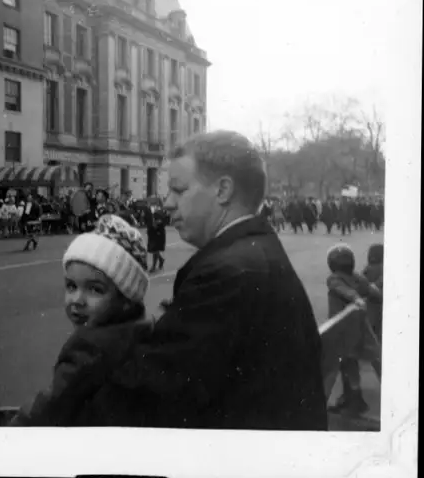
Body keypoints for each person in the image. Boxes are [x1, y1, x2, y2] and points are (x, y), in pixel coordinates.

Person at [79, 130, 328, 429]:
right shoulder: (253, 250)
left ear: (223, 190)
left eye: (179, 189)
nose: (168, 202)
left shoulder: (226, 273)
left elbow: (148, 393)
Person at [10, 215, 154, 426]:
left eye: (95, 290)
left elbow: (48, 408)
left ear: (126, 298)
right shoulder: (141, 326)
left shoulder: (89, 348)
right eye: (71, 286)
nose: (77, 300)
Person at [325, 244, 382, 415]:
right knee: (371, 358)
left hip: (343, 330)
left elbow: (342, 290)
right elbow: (374, 293)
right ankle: (351, 398)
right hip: (360, 327)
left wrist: (356, 298)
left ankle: (354, 400)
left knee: (348, 365)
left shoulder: (333, 278)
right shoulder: (357, 277)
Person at [145, 201, 168, 272]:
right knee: (153, 249)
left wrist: (158, 222)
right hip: (151, 231)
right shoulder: (148, 210)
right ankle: (161, 260)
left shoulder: (162, 211)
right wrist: (149, 225)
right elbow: (146, 219)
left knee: (155, 248)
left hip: (159, 231)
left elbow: (165, 220)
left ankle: (153, 266)